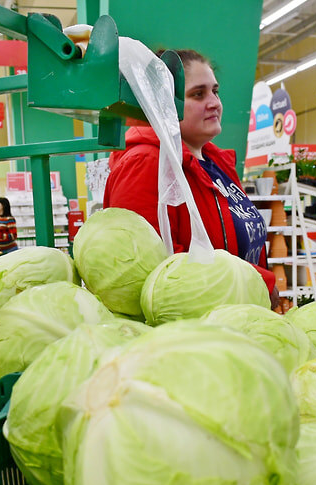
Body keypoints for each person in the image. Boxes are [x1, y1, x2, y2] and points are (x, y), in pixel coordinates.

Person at [104, 49, 278, 306]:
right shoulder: (146, 163)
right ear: (162, 102)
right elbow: (154, 268)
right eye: (198, 94)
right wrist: (259, 282)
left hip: (237, 316)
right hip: (195, 329)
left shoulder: (216, 162)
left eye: (215, 91)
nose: (214, 103)